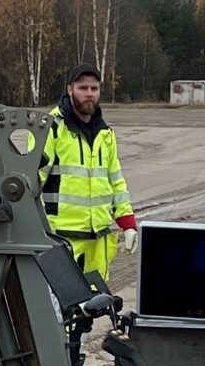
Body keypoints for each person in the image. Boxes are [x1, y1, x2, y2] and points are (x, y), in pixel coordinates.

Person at [40, 66, 138, 278]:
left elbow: (116, 182)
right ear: (70, 89)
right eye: (83, 88)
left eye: (94, 88)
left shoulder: (105, 133)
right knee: (58, 306)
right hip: (61, 239)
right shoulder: (51, 127)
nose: (89, 93)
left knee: (96, 304)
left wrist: (127, 224)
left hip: (97, 239)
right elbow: (32, 180)